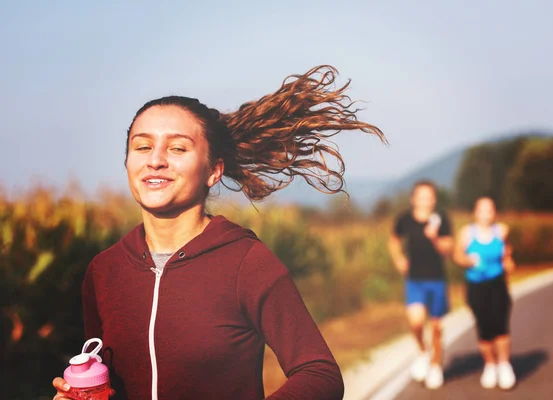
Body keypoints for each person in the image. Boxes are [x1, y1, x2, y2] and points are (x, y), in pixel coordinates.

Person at [52, 65, 387, 400]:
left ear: (213, 171)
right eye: (142, 146)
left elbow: (319, 373)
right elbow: (106, 382)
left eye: (178, 148)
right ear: (128, 162)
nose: (155, 160)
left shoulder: (245, 261)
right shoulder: (104, 271)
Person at [387, 180, 454, 389]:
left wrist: (434, 238)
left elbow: (448, 248)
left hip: (436, 280)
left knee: (436, 327)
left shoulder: (441, 219)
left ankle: (436, 366)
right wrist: (398, 259)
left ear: (434, 200)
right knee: (416, 322)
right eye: (421, 197)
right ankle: (424, 352)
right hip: (414, 280)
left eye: (429, 197)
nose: (425, 201)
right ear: (413, 199)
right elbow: (393, 240)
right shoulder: (404, 219)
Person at [453, 196, 516, 390]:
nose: (486, 214)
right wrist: (468, 261)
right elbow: (457, 256)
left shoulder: (502, 231)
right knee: (484, 326)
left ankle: (504, 365)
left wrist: (508, 262)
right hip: (476, 286)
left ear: (494, 213)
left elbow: (507, 254)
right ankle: (490, 364)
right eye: (482, 210)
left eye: (490, 210)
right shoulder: (466, 233)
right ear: (475, 213)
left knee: (500, 323)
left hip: (497, 284)